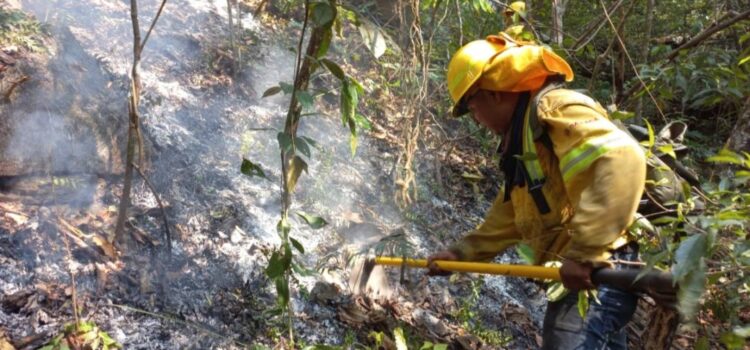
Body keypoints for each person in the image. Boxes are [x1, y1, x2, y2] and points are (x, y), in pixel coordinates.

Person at [428, 33, 647, 349]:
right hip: (589, 264)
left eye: (471, 106)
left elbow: (622, 157)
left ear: (494, 94)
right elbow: (514, 214)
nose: (475, 118)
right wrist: (460, 253)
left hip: (601, 262)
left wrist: (585, 253)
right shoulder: (525, 140)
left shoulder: (554, 109)